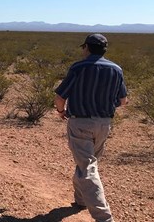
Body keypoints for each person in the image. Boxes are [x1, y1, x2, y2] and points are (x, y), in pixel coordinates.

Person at [54, 33, 128, 222]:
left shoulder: (79, 67)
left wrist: (61, 112)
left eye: (83, 47)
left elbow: (61, 96)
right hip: (104, 124)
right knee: (89, 163)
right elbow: (123, 100)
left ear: (86, 47)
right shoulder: (116, 69)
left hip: (80, 123)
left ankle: (104, 218)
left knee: (87, 167)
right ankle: (80, 200)